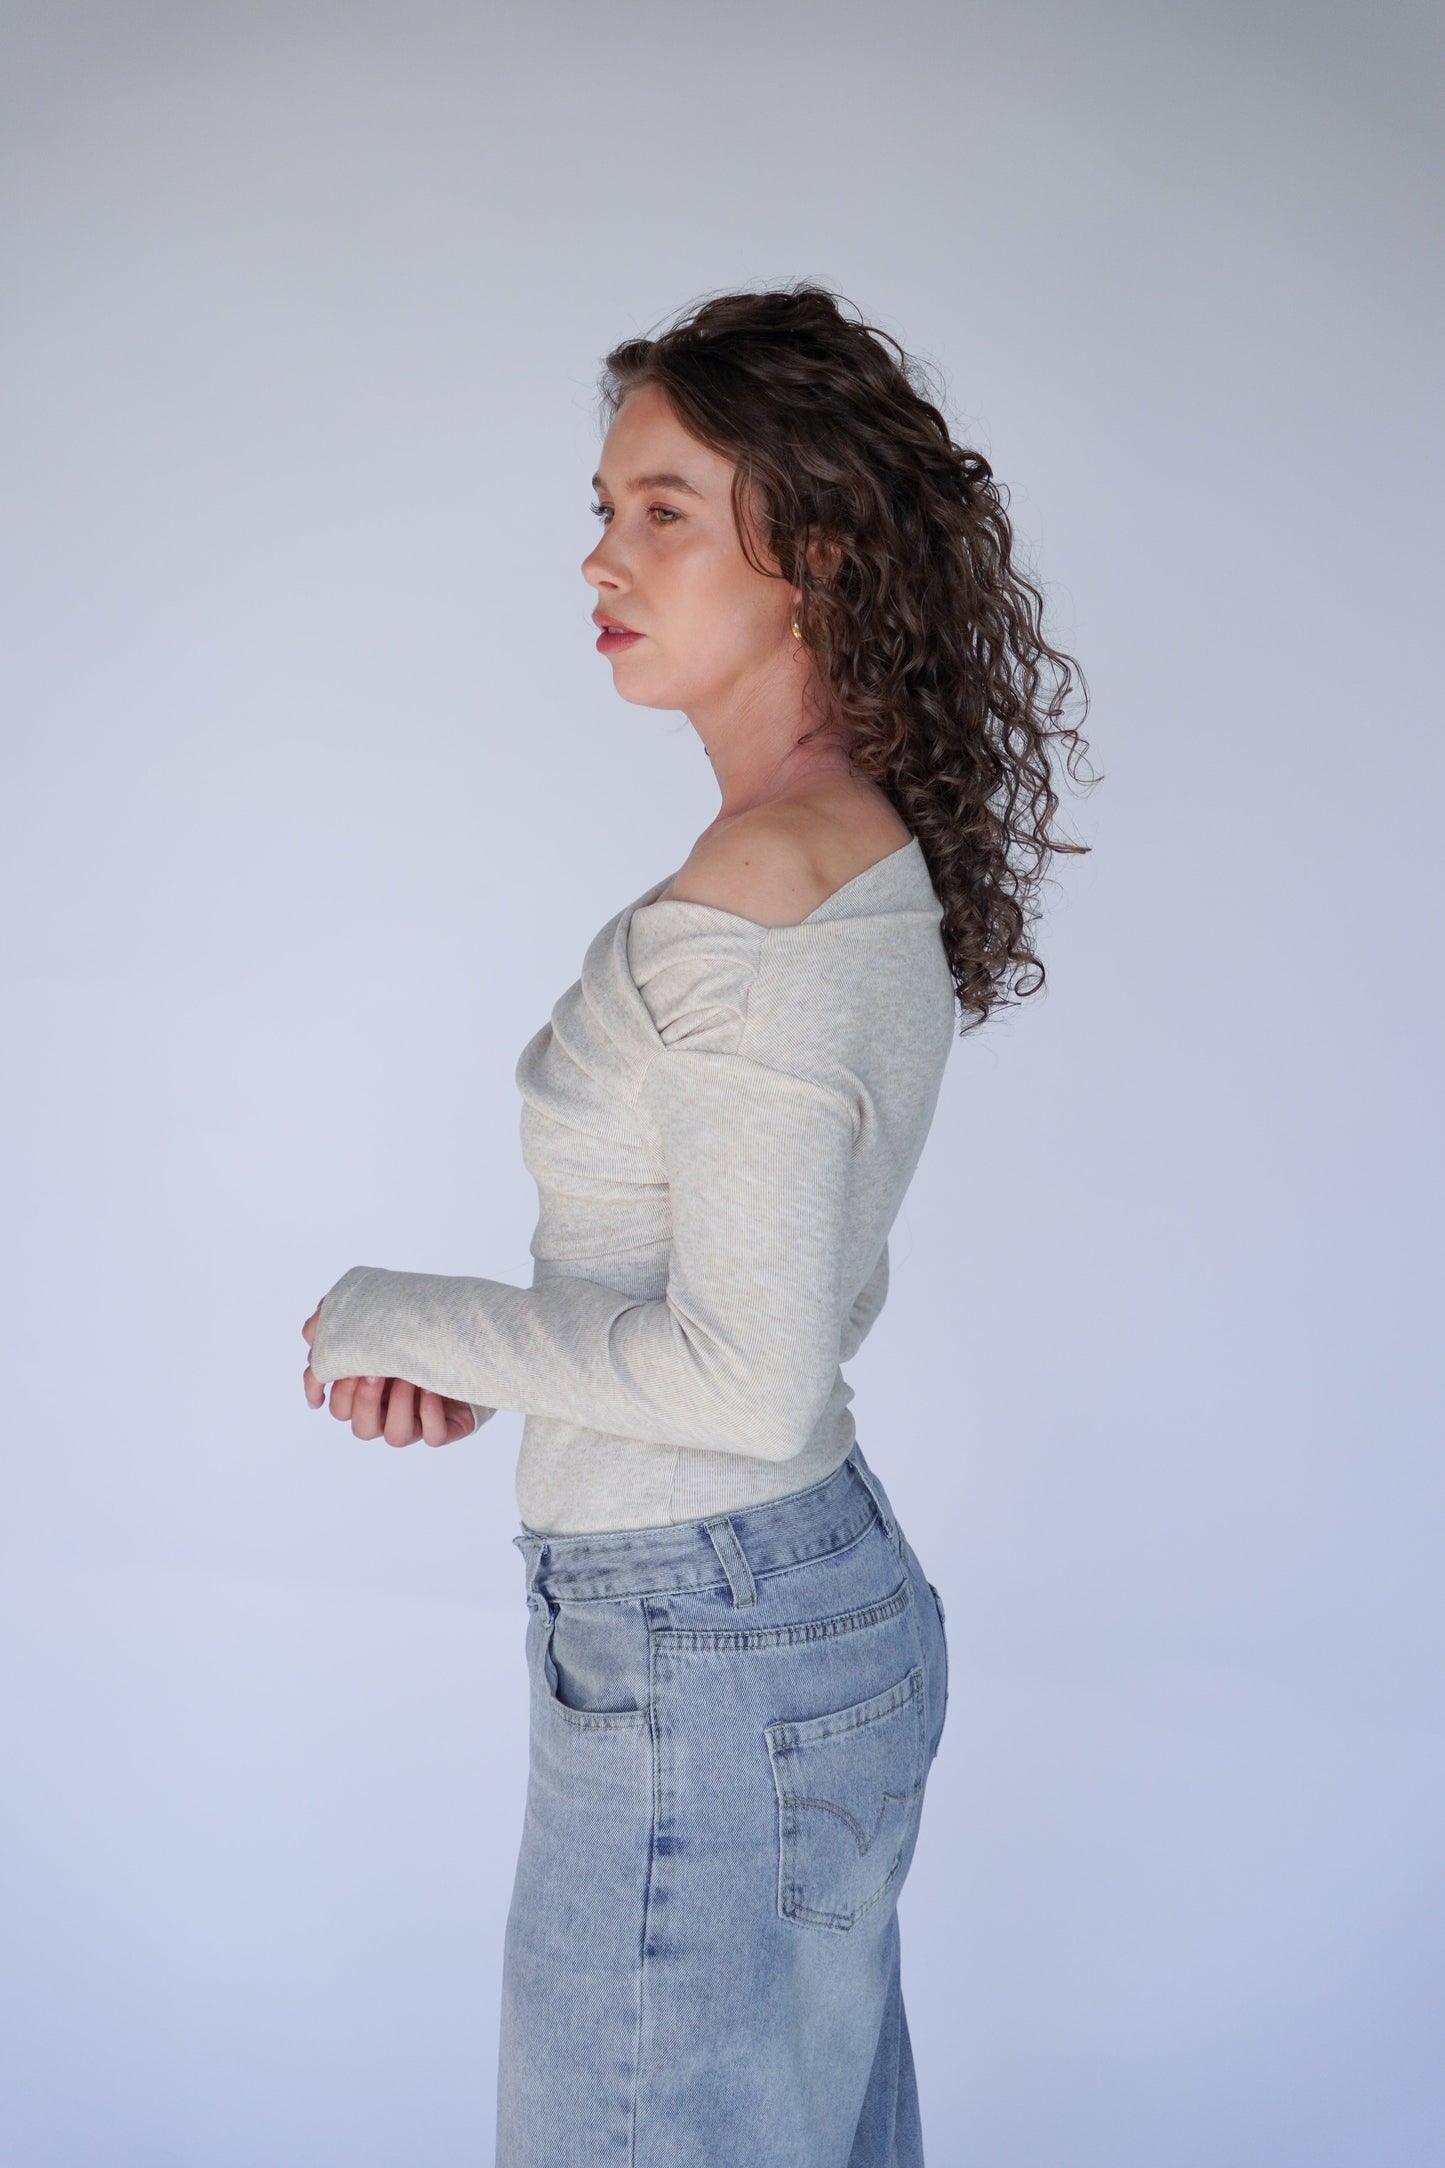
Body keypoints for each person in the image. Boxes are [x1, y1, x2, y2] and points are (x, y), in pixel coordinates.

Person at [301, 283, 1093, 2166]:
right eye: (599, 507)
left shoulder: (753, 891)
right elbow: (735, 1306)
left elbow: (742, 1374)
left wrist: (392, 1313)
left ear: (812, 549)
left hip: (704, 1641)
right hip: (772, 1616)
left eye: (660, 508)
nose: (601, 555)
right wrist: (512, 1372)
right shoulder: (848, 849)